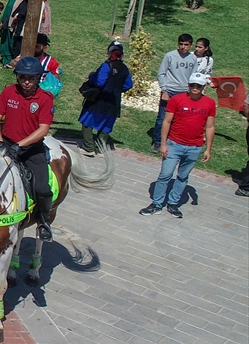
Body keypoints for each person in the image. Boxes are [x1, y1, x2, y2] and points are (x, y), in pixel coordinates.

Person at [0, 56, 56, 241]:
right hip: (6, 143)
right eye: (22, 78)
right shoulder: (8, 92)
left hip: (31, 149)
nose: (26, 82)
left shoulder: (45, 99)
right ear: (17, 77)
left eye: (31, 78)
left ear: (38, 78)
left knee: (43, 188)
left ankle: (44, 221)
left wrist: (20, 145)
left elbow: (43, 129)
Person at [140, 73, 216, 218]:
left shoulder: (209, 103)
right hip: (174, 144)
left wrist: (208, 149)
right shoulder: (177, 100)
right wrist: (163, 144)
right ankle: (157, 203)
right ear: (188, 85)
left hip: (194, 147)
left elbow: (210, 127)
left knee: (183, 176)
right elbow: (166, 122)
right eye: (192, 85)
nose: (195, 88)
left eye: (198, 86)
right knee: (165, 174)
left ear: (204, 87)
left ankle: (173, 203)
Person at [78, 41, 134, 155]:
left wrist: (92, 76)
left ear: (110, 52)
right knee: (106, 125)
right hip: (114, 102)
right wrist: (117, 88)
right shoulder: (124, 69)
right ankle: (100, 149)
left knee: (87, 121)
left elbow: (99, 82)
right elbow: (129, 85)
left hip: (99, 100)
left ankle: (88, 148)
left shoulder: (106, 66)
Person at [152, 34, 197, 150]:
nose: (183, 47)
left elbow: (193, 77)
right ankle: (157, 141)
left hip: (184, 93)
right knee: (162, 118)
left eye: (186, 45)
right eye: (181, 44)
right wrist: (164, 90)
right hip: (170, 91)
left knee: (179, 119)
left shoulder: (193, 59)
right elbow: (161, 73)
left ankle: (172, 140)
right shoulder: (170, 56)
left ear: (190, 45)